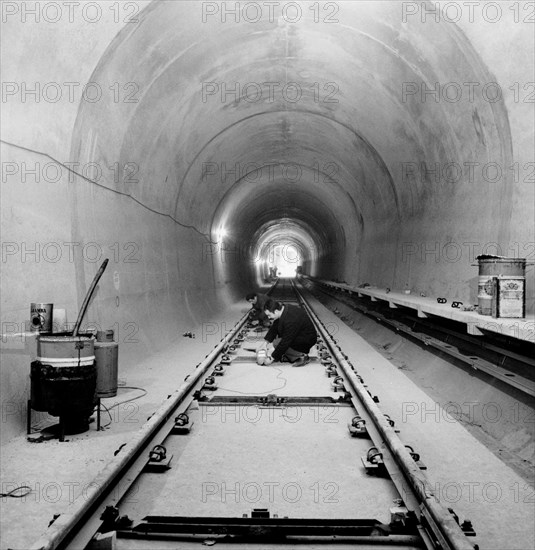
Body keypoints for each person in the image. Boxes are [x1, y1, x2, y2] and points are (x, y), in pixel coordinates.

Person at [258, 299, 317, 367]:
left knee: (277, 343)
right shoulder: (283, 309)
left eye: (269, 315)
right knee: (278, 343)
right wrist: (265, 343)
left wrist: (272, 358)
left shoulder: (291, 319)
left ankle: (302, 356)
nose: (268, 317)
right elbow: (275, 327)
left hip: (306, 340)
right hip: (300, 335)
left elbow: (285, 341)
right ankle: (292, 354)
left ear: (276, 311)